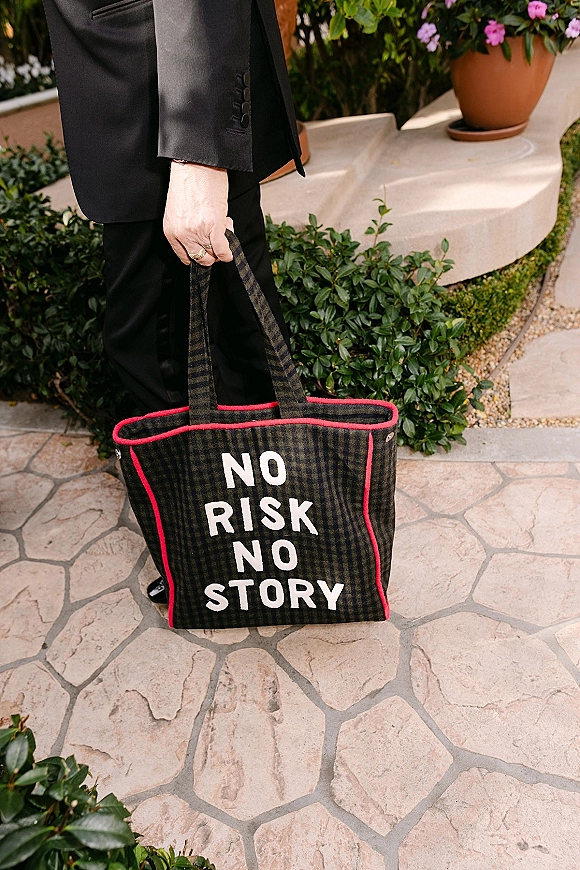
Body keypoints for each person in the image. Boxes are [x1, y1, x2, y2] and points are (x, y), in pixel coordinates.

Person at [41, 0, 304, 602]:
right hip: (139, 88)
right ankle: (241, 555)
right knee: (222, 334)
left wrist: (199, 152)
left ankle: (251, 556)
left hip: (163, 93)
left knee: (168, 350)